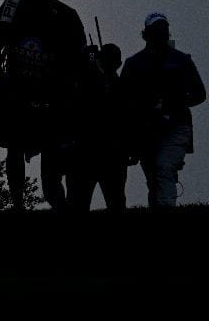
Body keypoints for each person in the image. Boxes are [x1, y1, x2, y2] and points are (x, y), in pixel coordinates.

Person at [0, 0, 86, 210]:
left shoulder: (65, 14)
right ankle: (21, 202)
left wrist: (69, 81)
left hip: (52, 93)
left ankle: (54, 199)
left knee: (48, 150)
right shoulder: (14, 5)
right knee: (17, 147)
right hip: (18, 91)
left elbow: (79, 54)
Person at [121, 13, 205, 208]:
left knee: (164, 169)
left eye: (164, 30)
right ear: (146, 34)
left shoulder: (181, 60)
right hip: (146, 130)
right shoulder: (134, 64)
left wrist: (174, 103)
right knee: (154, 179)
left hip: (176, 127)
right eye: (157, 31)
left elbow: (199, 93)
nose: (161, 35)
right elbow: (124, 101)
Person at [70, 43, 129, 211]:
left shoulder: (116, 86)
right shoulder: (90, 81)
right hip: (92, 152)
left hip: (102, 152)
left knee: (112, 200)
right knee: (85, 200)